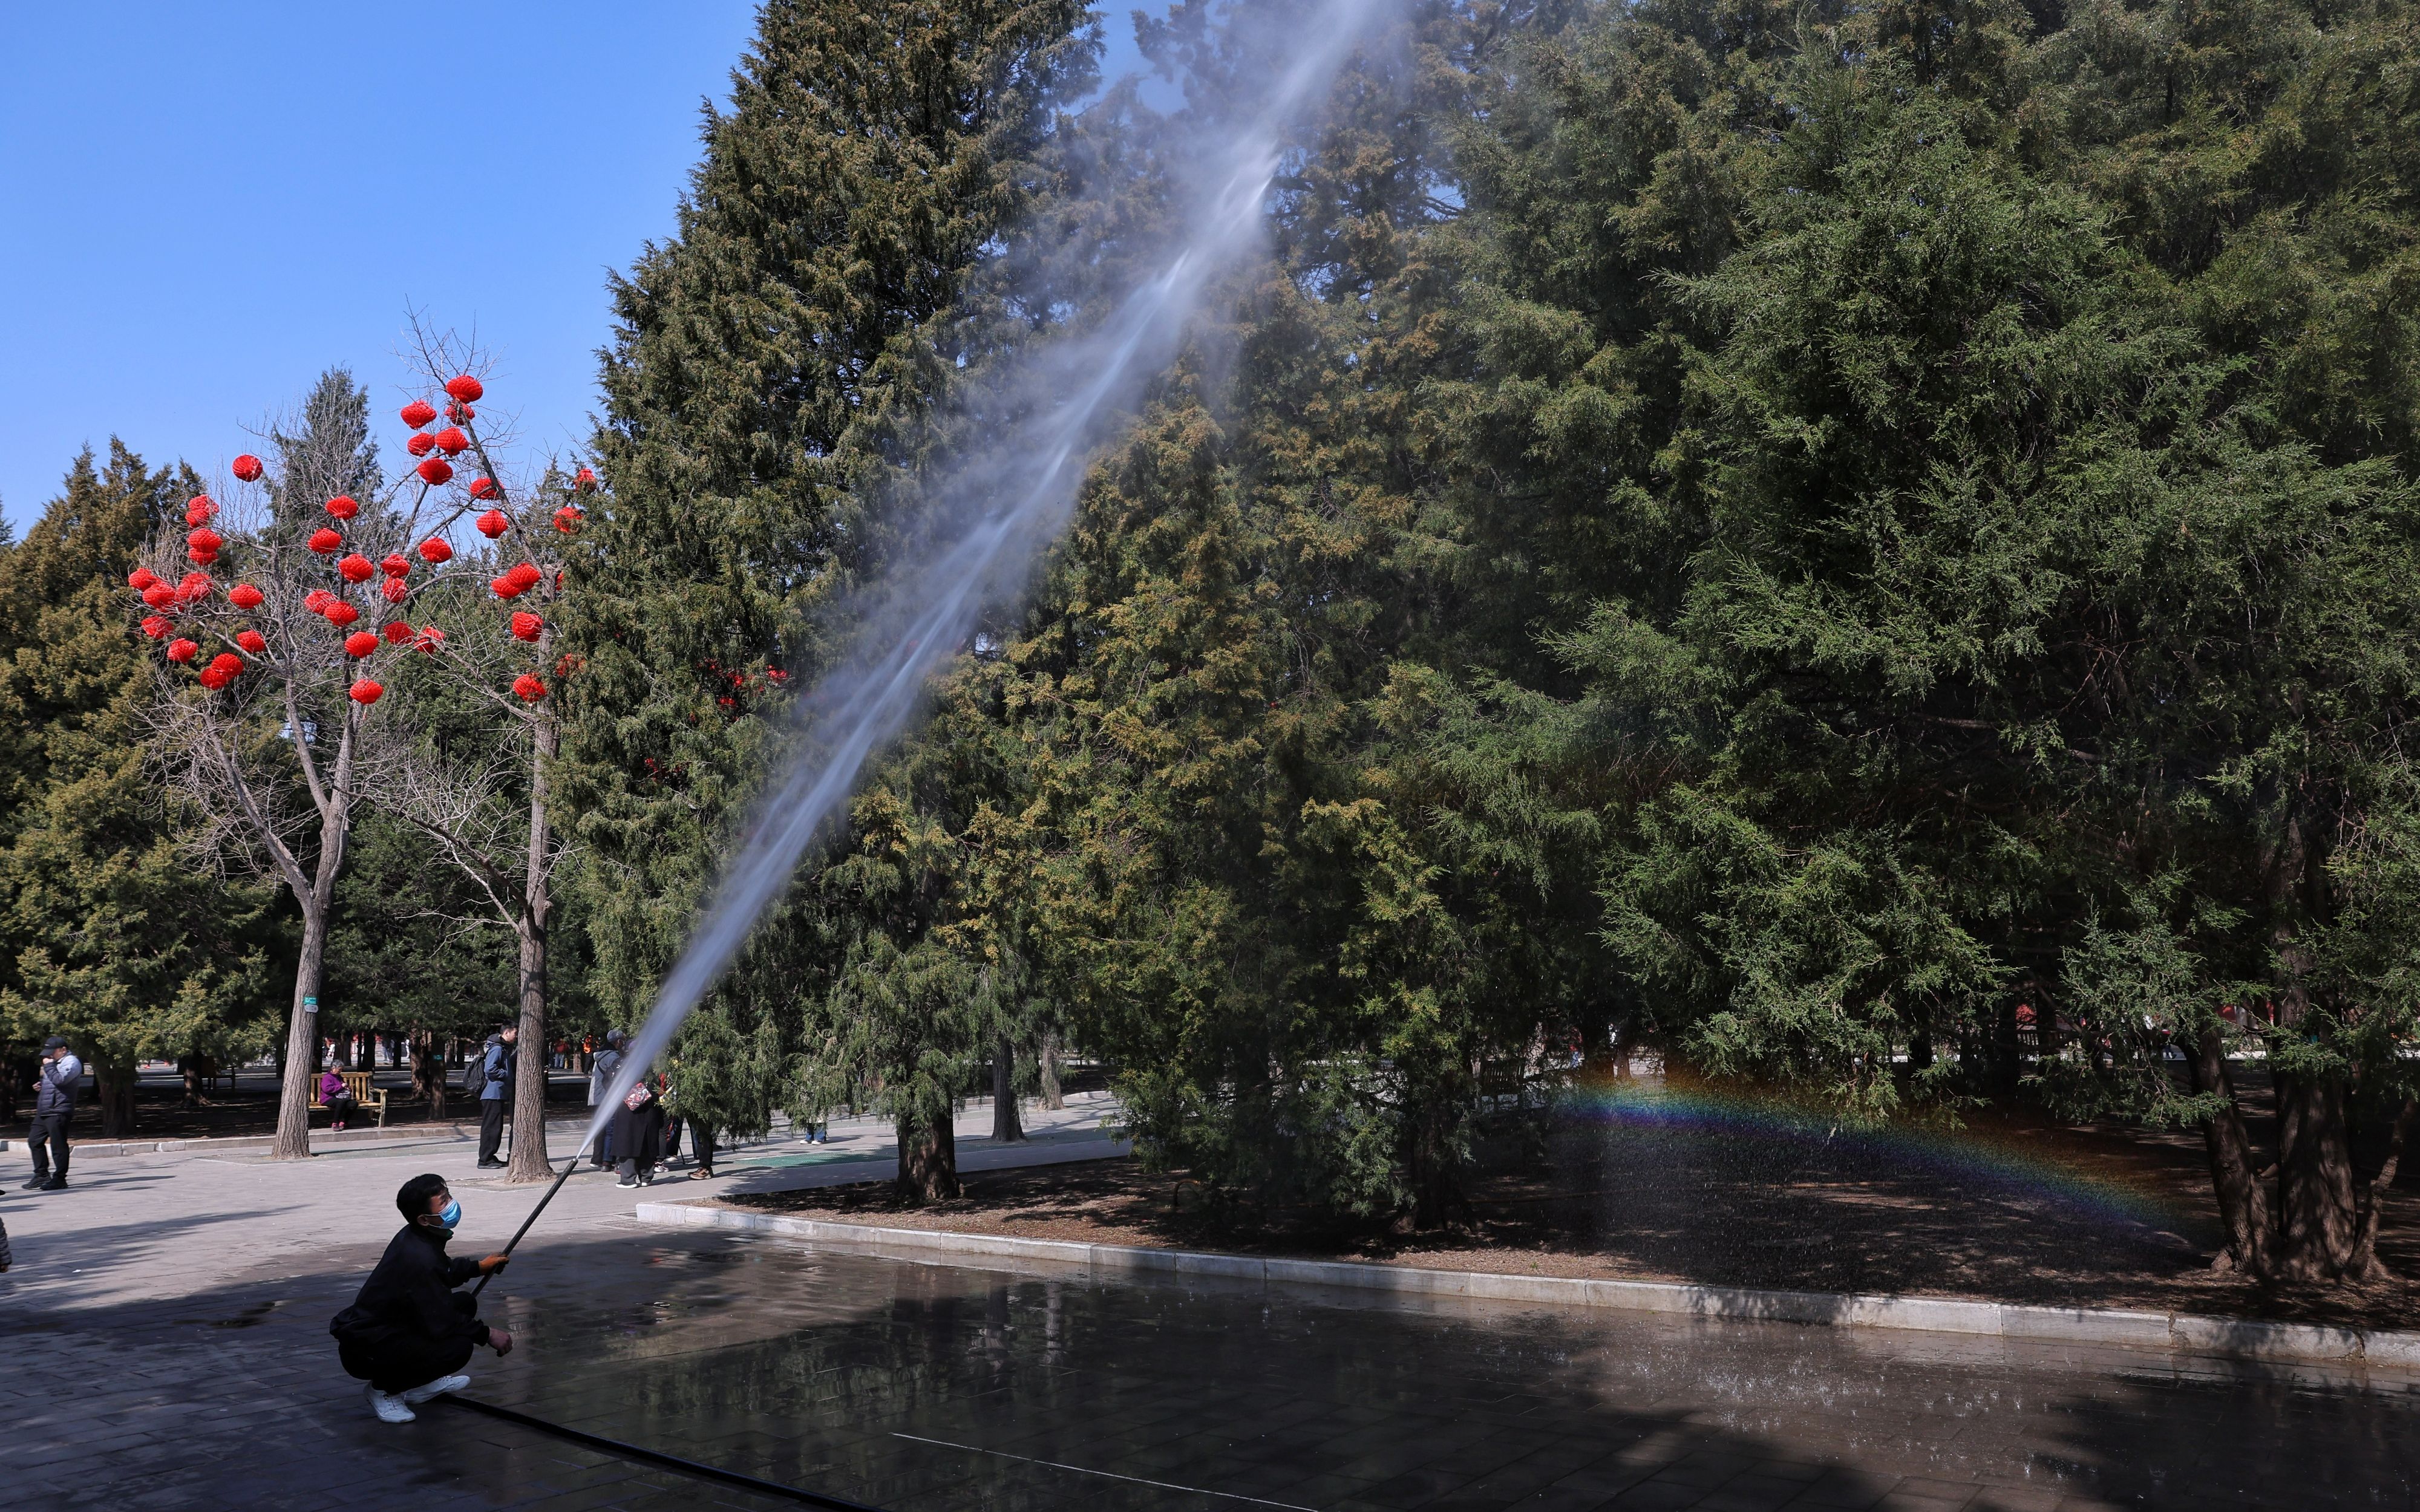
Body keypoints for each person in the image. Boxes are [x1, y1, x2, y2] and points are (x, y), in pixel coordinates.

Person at [330, 1173, 514, 1424]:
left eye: (449, 1196)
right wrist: (488, 1334)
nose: (451, 1204)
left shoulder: (418, 1236)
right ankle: (384, 1390)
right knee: (459, 1348)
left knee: (465, 1303)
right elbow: (442, 1317)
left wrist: (478, 1267)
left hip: (396, 1326)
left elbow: (443, 1271)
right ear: (424, 1219)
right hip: (369, 1347)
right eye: (444, 1201)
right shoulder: (418, 1255)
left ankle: (422, 1383)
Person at [24, 1035, 80, 1191]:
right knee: (34, 1141)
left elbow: (61, 1080)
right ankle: (41, 1175)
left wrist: (49, 1066)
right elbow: (55, 1083)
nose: (49, 1055)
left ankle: (60, 1179)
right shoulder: (55, 1062)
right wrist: (42, 1085)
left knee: (58, 1145)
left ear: (63, 1050)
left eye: (52, 1052)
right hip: (45, 1109)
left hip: (58, 1110)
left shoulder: (72, 1062)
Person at [610, 1076, 665, 1188]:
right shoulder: (651, 1069)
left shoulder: (623, 1068)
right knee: (647, 1142)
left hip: (628, 1109)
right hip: (650, 1107)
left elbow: (609, 1082)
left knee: (627, 1142)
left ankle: (628, 1179)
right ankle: (646, 1177)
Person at [475, 1026, 516, 1170]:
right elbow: (490, 1069)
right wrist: (506, 1074)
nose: (516, 1036)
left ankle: (489, 1157)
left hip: (496, 1094)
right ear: (506, 1033)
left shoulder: (500, 1048)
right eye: (515, 1033)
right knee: (491, 1128)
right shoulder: (497, 1049)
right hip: (492, 1094)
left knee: (495, 1127)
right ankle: (485, 1159)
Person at [587, 1030, 624, 1170]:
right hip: (606, 1097)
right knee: (610, 1130)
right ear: (618, 1041)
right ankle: (607, 1160)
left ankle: (598, 1159)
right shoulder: (612, 1056)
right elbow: (618, 1073)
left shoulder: (602, 1054)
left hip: (597, 1096)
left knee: (601, 1129)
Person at [319, 1066, 359, 1130]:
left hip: (340, 1097)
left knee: (354, 1103)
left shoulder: (339, 1077)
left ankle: (344, 1122)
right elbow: (327, 1089)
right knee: (341, 1102)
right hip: (328, 1098)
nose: (340, 1071)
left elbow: (342, 1087)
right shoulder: (327, 1077)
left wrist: (347, 1088)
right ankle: (335, 1123)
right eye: (339, 1070)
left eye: (341, 1070)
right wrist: (341, 1086)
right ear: (333, 1069)